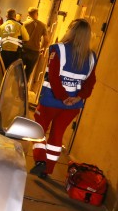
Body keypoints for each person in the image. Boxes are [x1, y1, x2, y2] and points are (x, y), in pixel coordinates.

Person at [30, 19, 97, 179]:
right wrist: (77, 97)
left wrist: (63, 97)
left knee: (37, 129)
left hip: (51, 101)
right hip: (73, 106)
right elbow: (91, 81)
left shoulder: (58, 49)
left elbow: (53, 77)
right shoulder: (91, 56)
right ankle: (48, 170)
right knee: (57, 134)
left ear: (71, 31)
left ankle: (40, 161)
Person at [22, 7, 49, 80]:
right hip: (35, 52)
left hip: (23, 50)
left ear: (28, 14)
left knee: (18, 70)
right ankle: (22, 88)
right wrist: (43, 48)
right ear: (37, 14)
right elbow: (46, 40)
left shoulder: (24, 24)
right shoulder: (43, 25)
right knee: (28, 73)